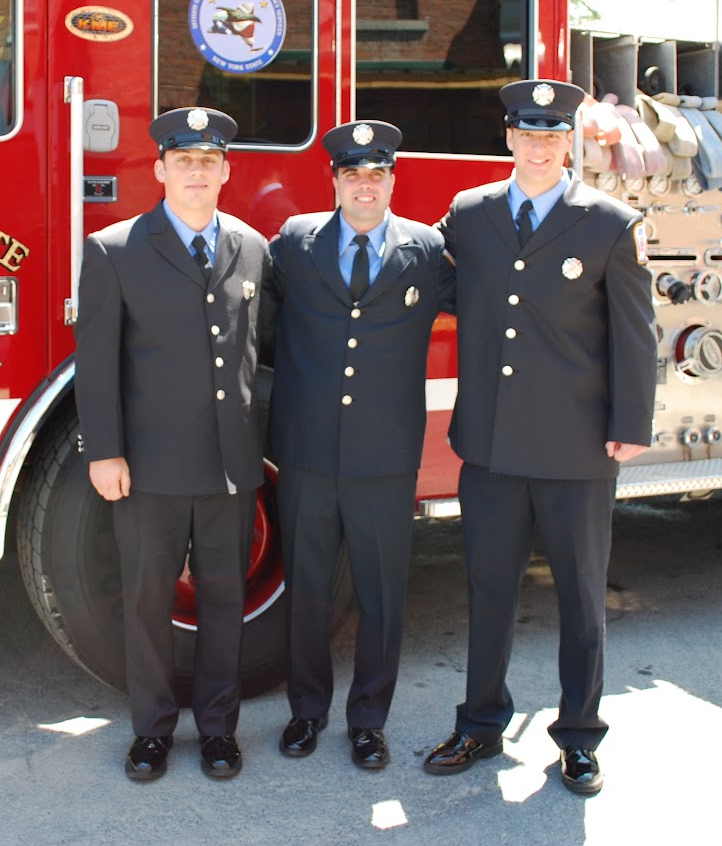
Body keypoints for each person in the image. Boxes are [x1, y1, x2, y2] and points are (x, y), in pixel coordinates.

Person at [423, 79, 657, 795]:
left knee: (583, 599)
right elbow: (425, 275)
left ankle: (579, 737)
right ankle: (480, 724)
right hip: (491, 447)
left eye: (552, 136)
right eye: (527, 134)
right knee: (488, 590)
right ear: (509, 138)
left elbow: (635, 335)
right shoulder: (470, 213)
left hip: (576, 448)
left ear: (568, 144)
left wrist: (630, 425)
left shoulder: (610, 223)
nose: (539, 147)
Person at [74, 106, 271, 783]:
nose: (197, 171)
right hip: (149, 469)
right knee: (147, 603)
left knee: (224, 604)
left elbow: (252, 354)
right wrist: (105, 451)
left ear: (226, 168)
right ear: (159, 169)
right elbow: (96, 365)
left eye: (208, 160)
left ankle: (218, 729)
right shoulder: (115, 248)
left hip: (229, 468)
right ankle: (152, 731)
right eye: (183, 160)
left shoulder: (250, 245)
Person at [261, 120, 451, 771]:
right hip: (308, 451)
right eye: (352, 175)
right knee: (308, 590)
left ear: (392, 181)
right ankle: (306, 711)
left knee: (381, 596)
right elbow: (259, 326)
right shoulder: (293, 243)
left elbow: (495, 308)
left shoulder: (427, 250)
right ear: (334, 180)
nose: (364, 186)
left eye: (376, 175)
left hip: (385, 458)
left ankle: (368, 720)